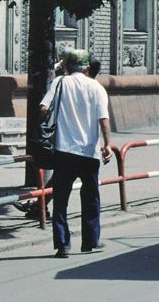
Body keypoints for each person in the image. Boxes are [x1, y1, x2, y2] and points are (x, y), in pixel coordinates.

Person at [40, 49, 111, 257]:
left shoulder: (60, 83)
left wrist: (54, 123)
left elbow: (44, 108)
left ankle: (62, 244)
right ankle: (90, 241)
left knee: (60, 199)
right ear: (88, 68)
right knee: (90, 197)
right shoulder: (96, 88)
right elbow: (103, 118)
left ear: (67, 67)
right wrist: (107, 144)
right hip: (89, 152)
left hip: (64, 150)